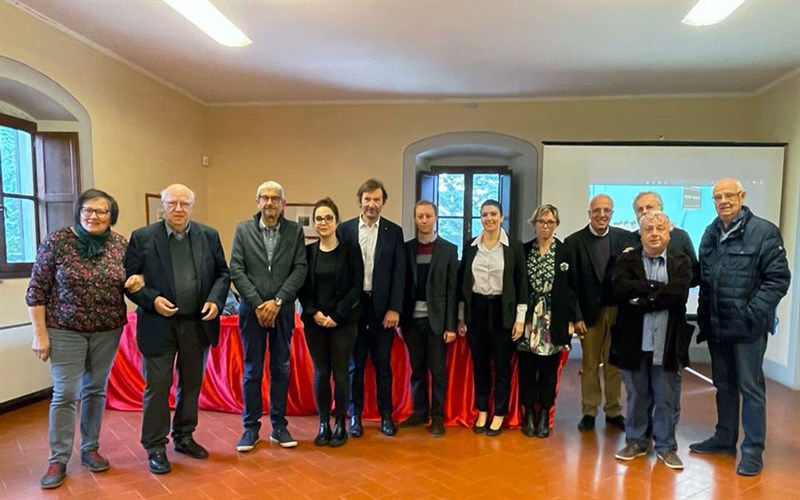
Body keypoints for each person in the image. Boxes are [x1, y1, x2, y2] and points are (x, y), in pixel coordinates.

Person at [27, 189, 139, 489]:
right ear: (78, 212)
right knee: (65, 392)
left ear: (111, 216)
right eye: (88, 210)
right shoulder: (58, 242)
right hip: (65, 329)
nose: (94, 216)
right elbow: (36, 291)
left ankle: (90, 448)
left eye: (101, 211)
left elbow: (130, 282)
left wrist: (139, 281)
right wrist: (39, 334)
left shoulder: (120, 246)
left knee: (95, 390)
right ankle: (58, 458)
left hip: (108, 329)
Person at [124, 184, 230, 474]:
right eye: (173, 204)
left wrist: (215, 301)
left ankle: (184, 436)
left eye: (185, 204)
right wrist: (152, 299)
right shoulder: (143, 238)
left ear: (192, 207)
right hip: (158, 325)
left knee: (191, 384)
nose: (179, 209)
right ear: (164, 206)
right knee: (157, 386)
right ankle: (155, 445)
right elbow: (130, 281)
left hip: (197, 324)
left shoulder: (208, 236)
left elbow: (223, 273)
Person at [690, 178, 790, 476]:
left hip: (747, 328)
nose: (723, 201)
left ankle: (752, 450)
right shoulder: (710, 233)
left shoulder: (764, 232)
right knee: (723, 386)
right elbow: (704, 277)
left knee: (751, 388)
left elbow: (778, 279)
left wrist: (753, 311)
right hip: (717, 325)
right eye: (718, 197)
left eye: (729, 195)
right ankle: (724, 438)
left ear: (742, 196)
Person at [611, 211, 694, 470]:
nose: (655, 234)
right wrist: (657, 294)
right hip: (634, 341)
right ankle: (636, 441)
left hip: (667, 343)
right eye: (649, 229)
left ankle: (666, 446)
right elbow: (621, 289)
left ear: (669, 233)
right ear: (640, 233)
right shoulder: (627, 260)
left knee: (666, 398)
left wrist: (644, 297)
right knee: (636, 396)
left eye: (660, 229)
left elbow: (677, 294)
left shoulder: (681, 262)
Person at [230, 181, 308, 451]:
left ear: (283, 203)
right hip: (251, 313)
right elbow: (236, 269)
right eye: (265, 198)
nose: (270, 203)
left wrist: (276, 302)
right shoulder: (243, 230)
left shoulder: (295, 232)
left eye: (275, 199)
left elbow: (300, 269)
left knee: (280, 368)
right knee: (252, 370)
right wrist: (258, 304)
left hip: (283, 311)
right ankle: (250, 429)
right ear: (257, 201)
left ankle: (279, 426)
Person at [337, 178, 406, 437]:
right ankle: (355, 416)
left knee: (382, 365)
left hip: (382, 310)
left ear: (383, 202)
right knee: (354, 366)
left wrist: (395, 309)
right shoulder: (345, 230)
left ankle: (386, 416)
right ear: (360, 201)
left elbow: (400, 274)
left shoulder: (393, 231)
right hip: (354, 308)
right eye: (367, 199)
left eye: (377, 200)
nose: (372, 204)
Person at [628, 191, 699, 436]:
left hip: (671, 326)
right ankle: (641, 434)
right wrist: (655, 293)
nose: (646, 213)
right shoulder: (631, 241)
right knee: (639, 386)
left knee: (668, 386)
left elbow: (691, 276)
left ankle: (665, 437)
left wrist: (656, 295)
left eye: (651, 207)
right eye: (640, 209)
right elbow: (622, 284)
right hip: (638, 328)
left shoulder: (681, 238)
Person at [458, 199, 528, 436]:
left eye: (493, 214)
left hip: (503, 312)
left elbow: (521, 285)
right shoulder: (470, 246)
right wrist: (461, 317)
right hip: (476, 310)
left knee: (502, 366)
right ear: (480, 218)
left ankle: (499, 413)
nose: (489, 218)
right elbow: (463, 285)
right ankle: (482, 411)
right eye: (485, 214)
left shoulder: (514, 247)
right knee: (479, 365)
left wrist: (520, 319)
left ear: (502, 217)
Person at [298, 197, 363, 447]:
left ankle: (340, 424)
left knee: (342, 372)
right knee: (321, 372)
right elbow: (303, 289)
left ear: (336, 221)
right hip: (315, 322)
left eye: (328, 218)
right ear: (314, 223)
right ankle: (323, 423)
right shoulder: (308, 251)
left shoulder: (350, 249)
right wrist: (314, 312)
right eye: (319, 219)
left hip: (343, 322)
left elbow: (356, 286)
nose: (323, 223)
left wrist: (337, 315)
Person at [564, 194, 631, 432]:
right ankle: (589, 411)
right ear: (589, 213)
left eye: (607, 211)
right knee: (590, 364)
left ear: (612, 213)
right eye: (597, 211)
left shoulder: (625, 238)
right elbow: (570, 284)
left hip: (617, 312)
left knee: (614, 364)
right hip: (589, 314)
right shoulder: (573, 242)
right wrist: (576, 315)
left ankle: (613, 410)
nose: (602, 215)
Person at [517, 204, 579, 439]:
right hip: (528, 318)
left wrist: (572, 320)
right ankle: (528, 414)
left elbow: (573, 288)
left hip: (554, 318)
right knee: (527, 368)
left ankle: (544, 413)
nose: (545, 226)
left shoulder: (565, 251)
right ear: (534, 224)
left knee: (548, 369)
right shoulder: (523, 251)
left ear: (556, 225)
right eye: (541, 221)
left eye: (550, 222)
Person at [398, 200, 458, 437]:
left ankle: (437, 417)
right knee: (417, 370)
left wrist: (451, 325)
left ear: (435, 219)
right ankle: (419, 411)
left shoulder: (448, 249)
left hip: (437, 322)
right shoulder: (406, 249)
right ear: (415, 219)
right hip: (411, 321)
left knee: (438, 371)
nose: (424, 220)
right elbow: (401, 286)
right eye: (420, 216)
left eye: (428, 216)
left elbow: (453, 290)